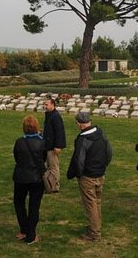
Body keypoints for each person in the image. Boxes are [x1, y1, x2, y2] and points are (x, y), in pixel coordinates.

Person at [67, 112, 112, 242]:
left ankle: (94, 233)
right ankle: (96, 226)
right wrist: (103, 166)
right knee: (97, 202)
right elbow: (109, 152)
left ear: (79, 124)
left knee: (90, 204)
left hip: (88, 176)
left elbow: (79, 160)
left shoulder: (83, 139)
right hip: (100, 173)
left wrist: (79, 174)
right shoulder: (101, 133)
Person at [13, 115, 46, 245]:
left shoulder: (19, 142)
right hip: (36, 178)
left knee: (19, 203)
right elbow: (43, 159)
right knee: (33, 206)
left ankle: (25, 230)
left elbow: (17, 157)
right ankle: (29, 233)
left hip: (21, 177)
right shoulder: (42, 143)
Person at [42, 97, 66, 193]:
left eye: (47, 104)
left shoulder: (56, 116)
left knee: (53, 167)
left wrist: (58, 146)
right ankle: (49, 184)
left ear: (52, 105)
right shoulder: (49, 115)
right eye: (45, 104)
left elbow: (59, 132)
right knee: (49, 166)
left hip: (53, 147)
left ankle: (55, 186)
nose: (45, 106)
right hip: (47, 145)